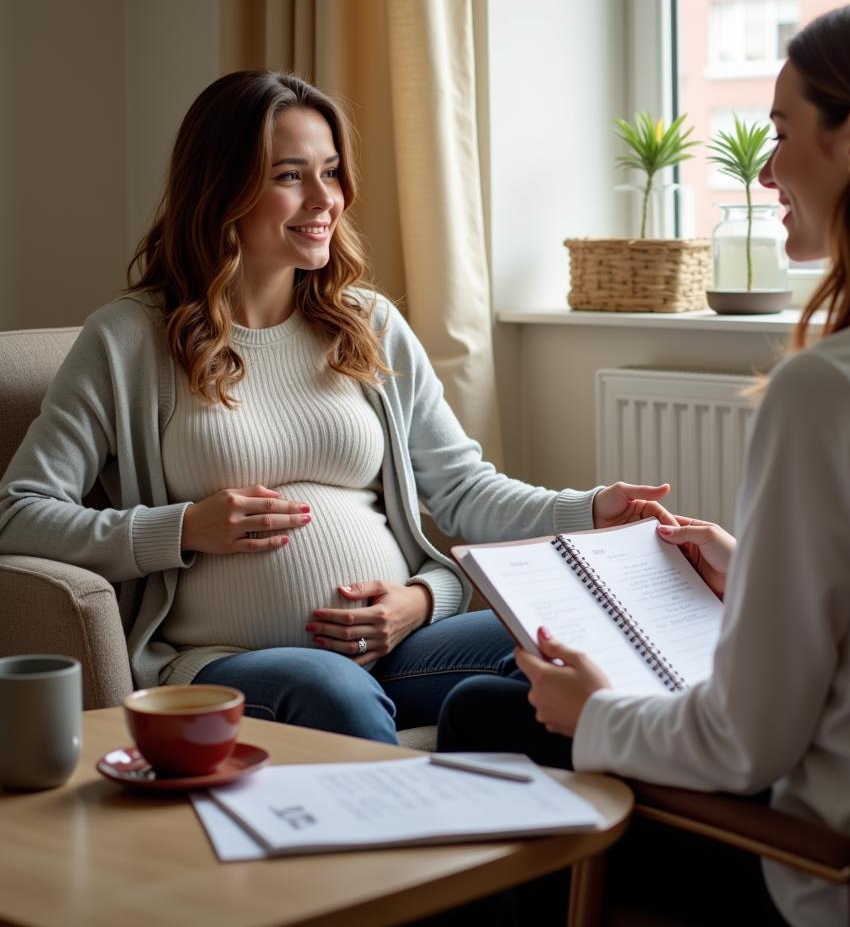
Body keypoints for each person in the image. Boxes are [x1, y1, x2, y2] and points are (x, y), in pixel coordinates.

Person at [436, 0, 850, 926]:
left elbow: (746, 742)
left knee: (484, 711)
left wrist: (594, 715)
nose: (769, 170)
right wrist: (750, 564)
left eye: (783, 131)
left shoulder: (837, 388)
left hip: (825, 870)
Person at [0, 69, 672, 745]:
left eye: (331, 172)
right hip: (225, 663)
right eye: (290, 176)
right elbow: (18, 513)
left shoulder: (366, 323)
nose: (327, 199)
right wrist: (181, 529)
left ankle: (529, 840)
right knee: (335, 692)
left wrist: (577, 516)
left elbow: (463, 490)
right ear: (221, 188)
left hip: (400, 645)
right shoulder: (130, 340)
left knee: (571, 635)